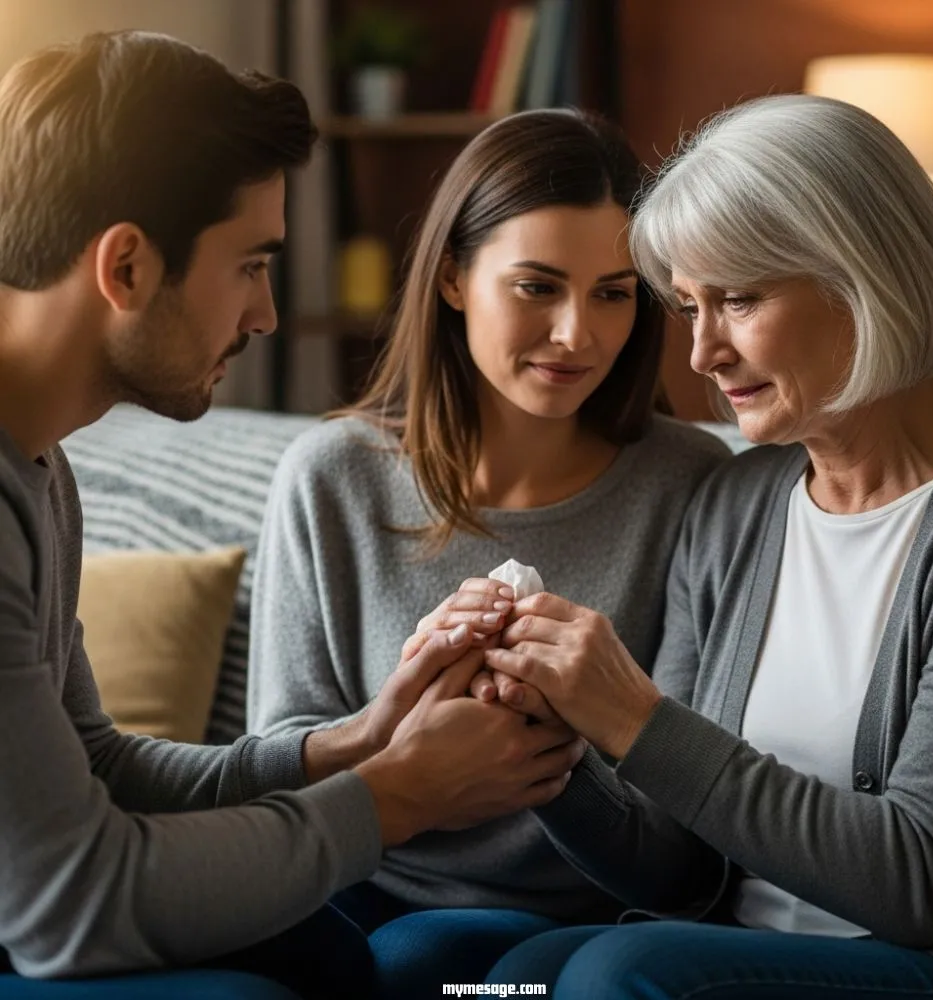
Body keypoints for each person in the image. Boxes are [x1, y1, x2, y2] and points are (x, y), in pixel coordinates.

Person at [0, 31, 586, 1000]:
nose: (267, 314)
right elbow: (72, 907)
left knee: (311, 952)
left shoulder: (36, 463)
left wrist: (353, 740)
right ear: (128, 267)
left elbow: (93, 767)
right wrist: (399, 795)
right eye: (251, 264)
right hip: (45, 915)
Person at [458, 92, 933, 1000]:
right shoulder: (735, 504)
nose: (703, 352)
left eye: (739, 301)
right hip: (729, 950)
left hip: (932, 968)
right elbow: (680, 872)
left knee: (618, 971)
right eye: (689, 307)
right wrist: (555, 736)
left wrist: (635, 718)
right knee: (489, 976)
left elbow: (920, 883)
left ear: (865, 280)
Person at [246, 107, 729, 997]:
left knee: (428, 967)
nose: (577, 334)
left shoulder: (697, 485)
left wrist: (558, 745)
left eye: (614, 293)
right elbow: (276, 770)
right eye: (538, 287)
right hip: (354, 894)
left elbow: (683, 859)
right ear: (455, 279)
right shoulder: (332, 476)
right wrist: (404, 720)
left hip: (577, 927)